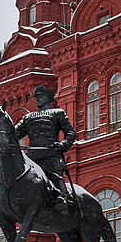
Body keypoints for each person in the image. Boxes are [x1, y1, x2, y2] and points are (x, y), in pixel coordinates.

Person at [14, 85, 77, 214]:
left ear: (47, 99)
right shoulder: (28, 118)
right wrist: (1, 131)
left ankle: (63, 200)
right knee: (17, 178)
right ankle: (10, 205)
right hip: (31, 158)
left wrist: (62, 144)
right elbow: (15, 134)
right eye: (36, 97)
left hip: (50, 154)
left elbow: (70, 133)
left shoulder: (57, 113)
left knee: (55, 175)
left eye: (40, 97)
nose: (37, 99)